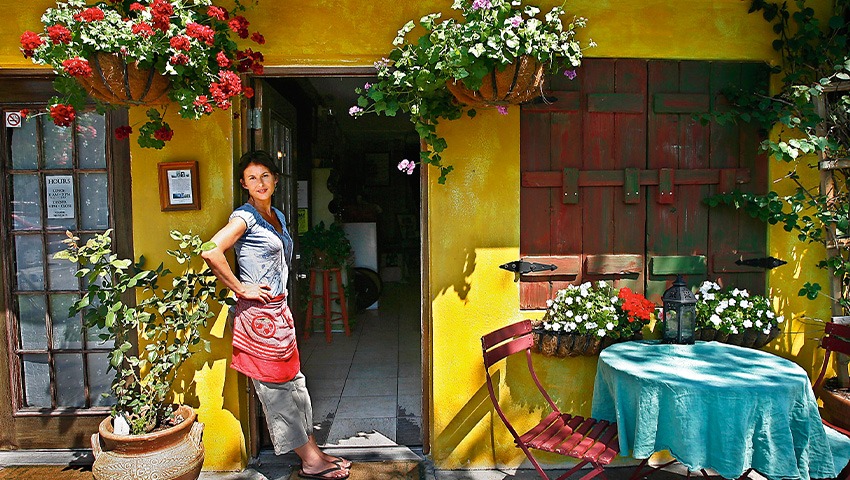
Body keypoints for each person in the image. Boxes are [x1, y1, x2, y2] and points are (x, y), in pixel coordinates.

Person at [202, 151, 351, 480]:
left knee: (295, 385)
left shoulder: (278, 216)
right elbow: (211, 249)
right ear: (244, 184)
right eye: (252, 178)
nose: (260, 183)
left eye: (265, 175)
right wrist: (242, 288)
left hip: (279, 314)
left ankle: (312, 449)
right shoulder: (245, 217)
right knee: (276, 392)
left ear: (275, 179)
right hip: (258, 320)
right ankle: (310, 461)